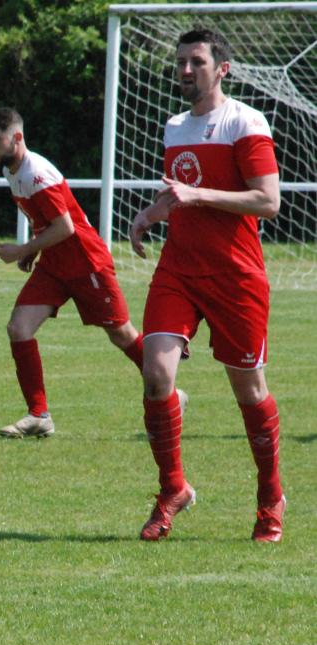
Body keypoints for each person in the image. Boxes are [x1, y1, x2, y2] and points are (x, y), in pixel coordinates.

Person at [130, 29, 286, 542]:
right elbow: (180, 194)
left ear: (223, 68)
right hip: (178, 270)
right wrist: (152, 212)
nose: (185, 70)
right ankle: (172, 488)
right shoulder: (174, 127)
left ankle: (270, 497)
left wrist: (197, 194)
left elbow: (267, 201)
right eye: (180, 62)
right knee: (155, 373)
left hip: (235, 276)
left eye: (196, 61)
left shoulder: (245, 121)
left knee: (249, 391)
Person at [0, 107, 159, 438]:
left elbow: (65, 227)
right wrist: (34, 248)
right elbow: (48, 223)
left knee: (122, 335)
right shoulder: (12, 170)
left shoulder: (35, 174)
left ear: (17, 138)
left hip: (87, 262)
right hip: (55, 265)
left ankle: (169, 393)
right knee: (19, 328)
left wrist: (24, 249)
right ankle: (38, 414)